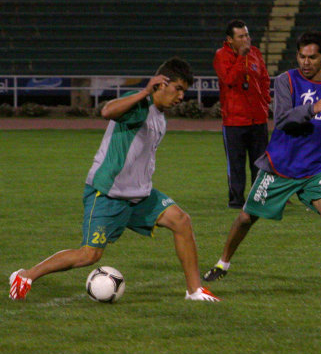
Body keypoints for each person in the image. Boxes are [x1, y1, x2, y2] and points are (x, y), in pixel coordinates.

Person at [9, 57, 220, 302]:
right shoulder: (140, 105)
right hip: (108, 193)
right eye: (178, 89)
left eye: (185, 91)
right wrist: (144, 91)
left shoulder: (160, 116)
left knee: (182, 221)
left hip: (139, 195)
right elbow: (107, 111)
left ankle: (194, 290)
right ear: (161, 84)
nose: (182, 96)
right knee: (89, 255)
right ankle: (25, 275)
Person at [204, 31, 321, 289]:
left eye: (312, 57)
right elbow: (281, 119)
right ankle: (222, 263)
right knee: (247, 218)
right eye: (301, 57)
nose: (305, 62)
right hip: (280, 167)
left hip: (316, 170)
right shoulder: (286, 81)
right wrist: (311, 109)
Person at [213, 19, 271, 209]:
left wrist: (265, 101)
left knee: (260, 163)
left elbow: (264, 79)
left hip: (257, 118)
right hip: (234, 121)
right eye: (241, 36)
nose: (246, 39)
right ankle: (236, 200)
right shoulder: (221, 56)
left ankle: (258, 198)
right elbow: (229, 79)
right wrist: (240, 57)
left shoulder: (255, 53)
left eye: (247, 34)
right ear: (230, 40)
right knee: (236, 164)